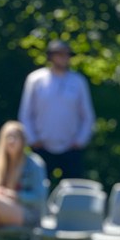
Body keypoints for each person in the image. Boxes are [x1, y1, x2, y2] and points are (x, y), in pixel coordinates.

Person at [18, 39, 96, 182]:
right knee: (37, 187)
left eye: (66, 55)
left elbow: (87, 115)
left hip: (71, 147)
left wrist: (80, 140)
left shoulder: (78, 81)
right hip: (41, 146)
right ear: (51, 56)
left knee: (73, 191)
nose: (63, 58)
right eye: (59, 54)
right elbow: (26, 113)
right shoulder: (36, 79)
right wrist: (33, 140)